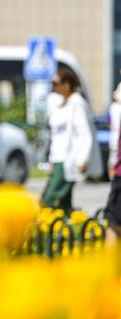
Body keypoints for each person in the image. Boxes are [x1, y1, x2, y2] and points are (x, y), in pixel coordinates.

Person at [41, 65, 102, 211]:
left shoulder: (77, 104)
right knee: (63, 201)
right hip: (58, 158)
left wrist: (82, 159)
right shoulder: (60, 105)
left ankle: (52, 222)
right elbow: (56, 135)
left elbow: (85, 134)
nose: (53, 87)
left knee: (50, 198)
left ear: (67, 85)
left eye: (56, 83)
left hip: (69, 157)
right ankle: (67, 221)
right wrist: (51, 158)